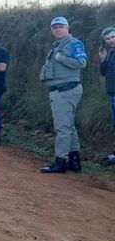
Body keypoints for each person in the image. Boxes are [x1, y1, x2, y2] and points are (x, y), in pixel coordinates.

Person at [39, 16, 88, 173]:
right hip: (60, 90)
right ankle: (74, 161)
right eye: (54, 27)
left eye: (61, 26)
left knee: (62, 128)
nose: (57, 29)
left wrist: (62, 58)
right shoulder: (57, 45)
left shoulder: (74, 43)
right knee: (69, 126)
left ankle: (60, 161)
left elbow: (82, 63)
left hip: (66, 90)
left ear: (67, 28)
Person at [99, 26, 115, 165]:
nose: (111, 40)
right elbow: (103, 73)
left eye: (113, 37)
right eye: (108, 39)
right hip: (111, 93)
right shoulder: (110, 52)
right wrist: (103, 60)